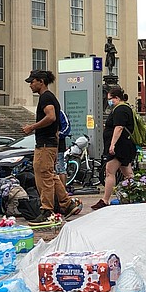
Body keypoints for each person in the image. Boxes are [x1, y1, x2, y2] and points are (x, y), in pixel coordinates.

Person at [22, 70, 84, 221]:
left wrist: (32, 127)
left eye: (32, 81)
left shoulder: (46, 98)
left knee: (44, 176)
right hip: (48, 143)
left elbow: (51, 117)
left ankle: (47, 210)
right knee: (50, 175)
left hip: (45, 144)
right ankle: (67, 204)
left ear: (41, 81)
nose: (30, 85)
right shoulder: (48, 97)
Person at [92, 84, 135, 210]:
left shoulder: (120, 110)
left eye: (110, 99)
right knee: (128, 173)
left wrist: (112, 144)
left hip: (119, 147)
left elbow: (119, 127)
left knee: (109, 172)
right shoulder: (125, 108)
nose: (109, 102)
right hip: (124, 145)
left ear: (116, 98)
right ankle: (135, 194)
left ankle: (105, 200)